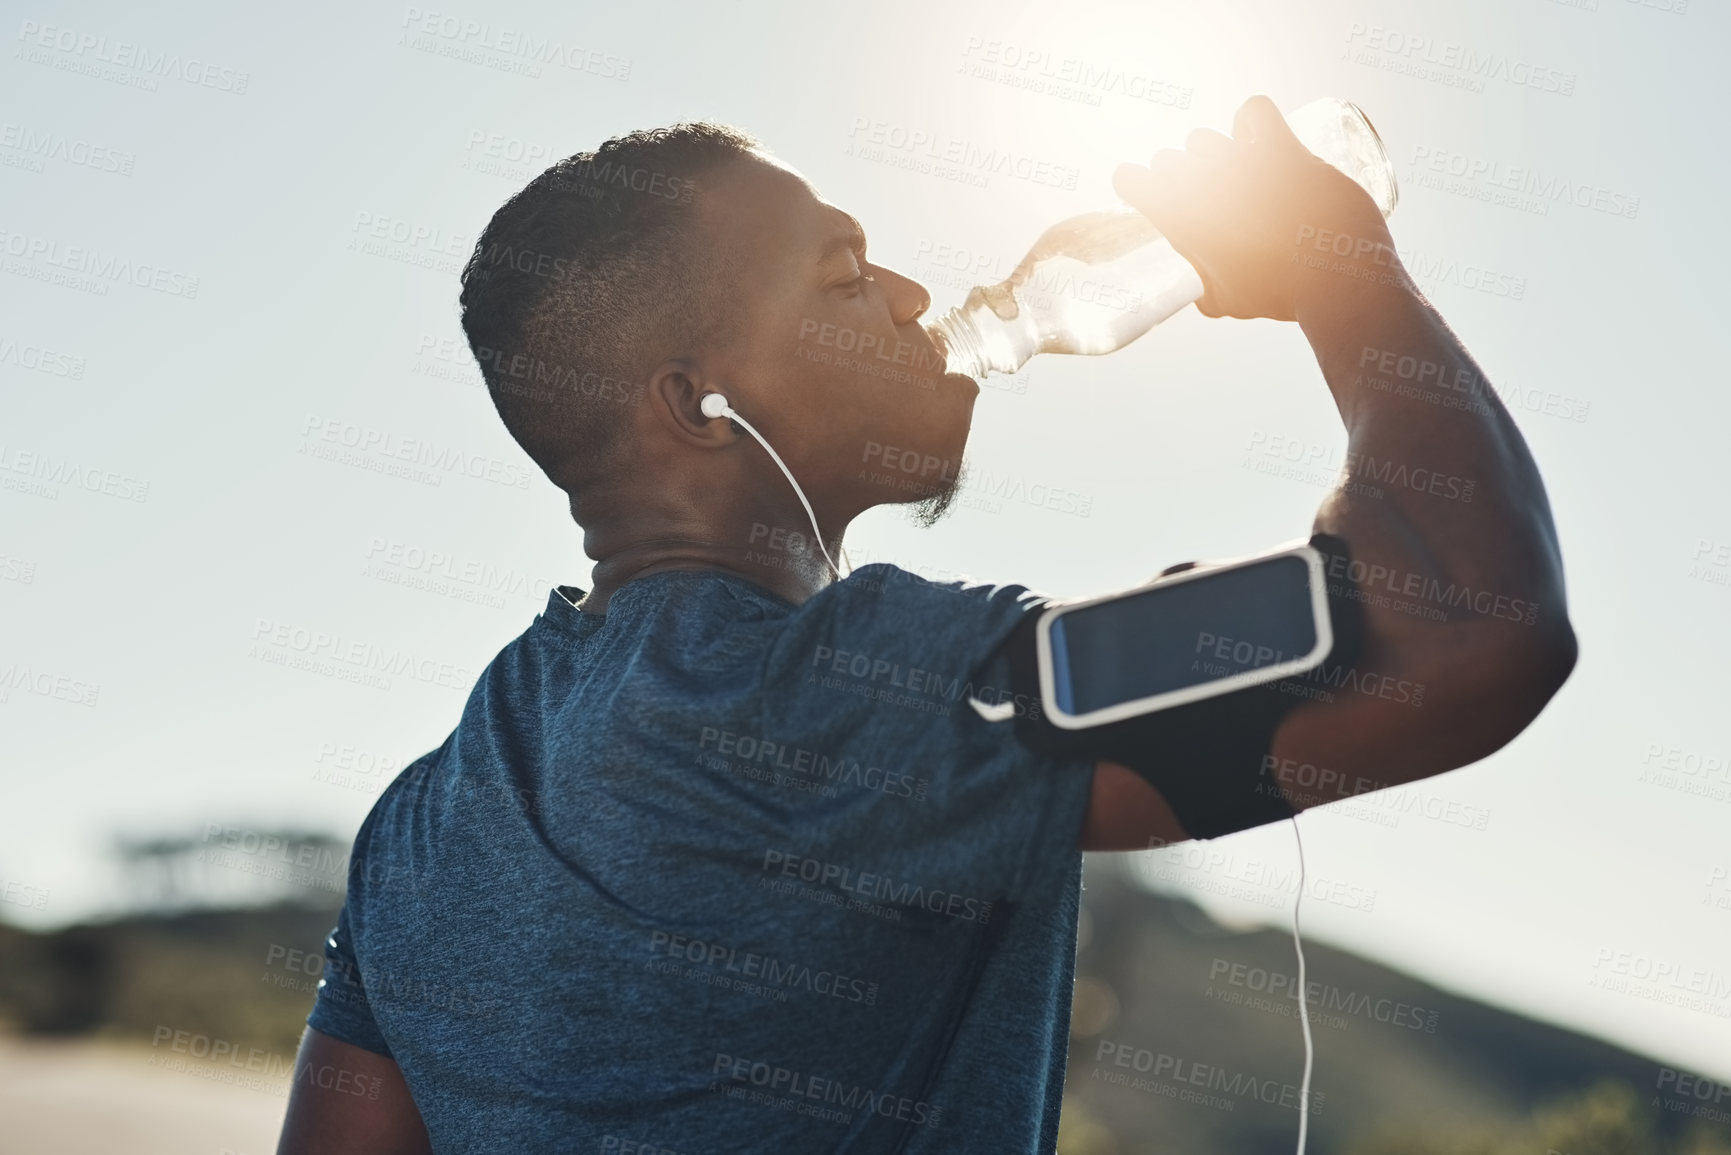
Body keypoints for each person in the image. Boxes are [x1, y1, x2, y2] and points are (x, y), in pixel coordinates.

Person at [276, 96, 1577, 1153]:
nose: (911, 294)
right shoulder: (851, 692)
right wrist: (1339, 267)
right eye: (845, 276)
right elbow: (1465, 625)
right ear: (700, 406)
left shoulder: (429, 810)